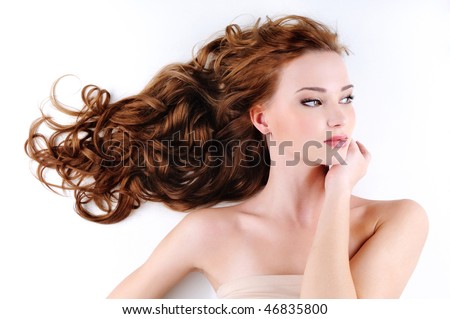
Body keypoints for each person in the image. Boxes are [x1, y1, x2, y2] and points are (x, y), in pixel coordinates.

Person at [25, 15, 428, 298]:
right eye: (311, 101)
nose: (340, 118)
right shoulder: (210, 232)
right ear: (262, 118)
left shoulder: (394, 221)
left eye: (347, 98)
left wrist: (339, 191)